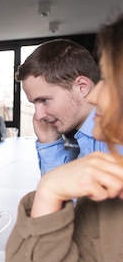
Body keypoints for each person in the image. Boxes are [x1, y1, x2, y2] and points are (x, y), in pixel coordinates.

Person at [6, 14, 123, 262]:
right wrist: (50, 150)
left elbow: (71, 216)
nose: (39, 114)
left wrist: (50, 189)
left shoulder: (111, 140)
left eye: (109, 79)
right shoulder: (85, 138)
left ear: (82, 87)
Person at [16, 38, 110, 175]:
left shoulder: (114, 139)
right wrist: (49, 141)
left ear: (81, 87)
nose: (38, 115)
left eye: (44, 100)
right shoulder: (89, 138)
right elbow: (64, 193)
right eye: (34, 103)